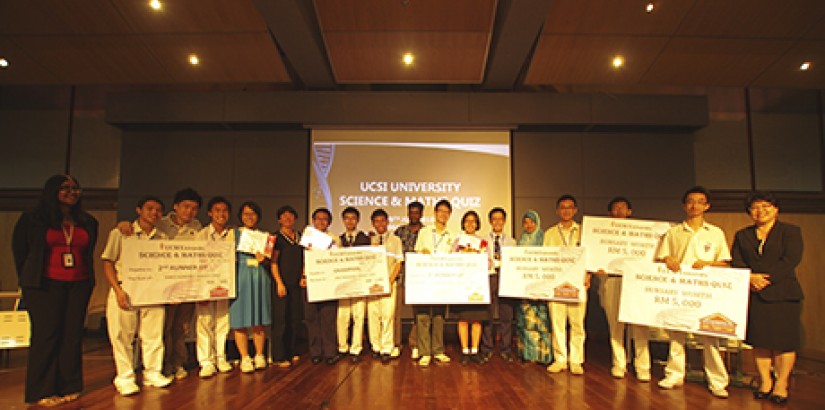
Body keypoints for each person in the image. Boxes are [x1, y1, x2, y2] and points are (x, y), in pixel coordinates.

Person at [12, 175, 99, 406]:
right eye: (65, 188)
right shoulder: (33, 219)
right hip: (44, 286)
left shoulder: (87, 221)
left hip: (78, 284)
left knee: (72, 336)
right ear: (52, 191)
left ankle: (69, 385)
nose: (72, 192)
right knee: (46, 335)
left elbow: (88, 252)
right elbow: (21, 252)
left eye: (75, 188)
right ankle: (41, 390)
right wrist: (27, 279)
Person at [656, 186, 732, 398]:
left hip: (705, 290)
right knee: (676, 331)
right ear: (683, 205)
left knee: (710, 335)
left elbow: (725, 263)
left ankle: (717, 380)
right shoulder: (673, 232)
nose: (695, 205)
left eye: (700, 201)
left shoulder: (716, 233)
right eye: (690, 201)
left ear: (707, 206)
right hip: (680, 288)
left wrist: (708, 264)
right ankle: (674, 373)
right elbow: (662, 258)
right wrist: (667, 259)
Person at [731, 192, 803, 405]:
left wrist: (764, 279)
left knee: (783, 342)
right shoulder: (742, 235)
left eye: (766, 206)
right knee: (760, 341)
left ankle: (781, 384)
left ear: (776, 209)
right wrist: (751, 278)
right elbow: (737, 260)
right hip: (754, 293)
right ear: (749, 212)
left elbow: (790, 260)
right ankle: (765, 382)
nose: (760, 211)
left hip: (784, 294)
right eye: (755, 207)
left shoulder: (790, 232)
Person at [101, 196, 172, 396]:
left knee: (153, 335)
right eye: (149, 208)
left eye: (158, 210)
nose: (154, 213)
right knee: (122, 335)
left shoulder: (163, 238)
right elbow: (107, 262)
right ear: (138, 210)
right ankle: (125, 376)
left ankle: (152, 372)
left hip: (153, 290)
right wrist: (117, 290)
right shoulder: (121, 233)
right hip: (125, 290)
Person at [594, 197, 651, 381]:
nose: (619, 211)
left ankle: (642, 366)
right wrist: (598, 268)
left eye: (623, 208)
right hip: (612, 280)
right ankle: (619, 363)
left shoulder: (641, 233)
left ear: (630, 211)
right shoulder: (602, 235)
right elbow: (594, 259)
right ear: (610, 213)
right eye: (615, 208)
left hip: (636, 282)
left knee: (640, 327)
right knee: (615, 326)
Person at [157, 188, 203, 380]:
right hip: (164, 287)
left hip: (187, 286)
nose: (189, 212)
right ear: (175, 206)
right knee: (164, 326)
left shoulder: (197, 227)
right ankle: (162, 364)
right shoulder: (160, 225)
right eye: (185, 207)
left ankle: (178, 362)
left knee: (182, 327)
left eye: (194, 208)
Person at [544, 194, 589, 375]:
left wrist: (589, 276)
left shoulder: (584, 232)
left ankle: (576, 360)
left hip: (578, 284)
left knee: (577, 324)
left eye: (570, 207)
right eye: (562, 207)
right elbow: (545, 259)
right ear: (557, 211)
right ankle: (560, 358)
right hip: (556, 285)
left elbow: (590, 257)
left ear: (575, 210)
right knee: (557, 324)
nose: (566, 210)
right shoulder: (550, 233)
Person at [230, 201, 272, 373]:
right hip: (240, 277)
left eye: (253, 214)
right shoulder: (233, 234)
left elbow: (272, 261)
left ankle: (259, 354)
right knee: (240, 318)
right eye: (246, 214)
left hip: (260, 277)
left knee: (259, 318)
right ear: (241, 216)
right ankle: (245, 357)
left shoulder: (266, 236)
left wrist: (265, 259)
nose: (249, 217)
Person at [195, 197, 234, 378]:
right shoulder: (200, 235)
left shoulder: (233, 235)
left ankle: (221, 357)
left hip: (225, 286)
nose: (221, 214)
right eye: (217, 210)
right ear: (210, 213)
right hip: (204, 286)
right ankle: (206, 361)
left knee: (222, 323)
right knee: (204, 323)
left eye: (224, 210)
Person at [413, 199, 455, 367]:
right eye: (441, 211)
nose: (443, 215)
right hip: (424, 277)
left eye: (447, 212)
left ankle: (438, 350)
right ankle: (424, 352)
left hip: (442, 280)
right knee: (423, 315)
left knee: (438, 316)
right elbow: (417, 252)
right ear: (435, 213)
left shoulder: (452, 236)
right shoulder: (424, 232)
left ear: (449, 215)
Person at [303, 208, 343, 365]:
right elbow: (302, 259)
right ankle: (315, 352)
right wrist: (302, 276)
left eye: (324, 219)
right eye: (318, 218)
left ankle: (330, 352)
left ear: (330, 222)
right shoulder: (307, 237)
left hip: (329, 282)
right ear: (313, 220)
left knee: (328, 318)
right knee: (312, 318)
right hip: (310, 281)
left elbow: (338, 259)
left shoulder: (335, 239)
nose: (321, 221)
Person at [452, 210, 493, 365]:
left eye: (473, 221)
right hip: (462, 285)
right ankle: (464, 351)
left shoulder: (483, 242)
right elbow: (451, 260)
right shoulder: (458, 241)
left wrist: (477, 255)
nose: (470, 224)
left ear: (477, 224)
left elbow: (490, 263)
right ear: (463, 223)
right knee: (463, 320)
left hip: (478, 285)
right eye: (467, 221)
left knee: (477, 320)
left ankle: (475, 351)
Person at [270, 205, 305, 367]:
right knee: (281, 320)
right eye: (284, 216)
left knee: (294, 319)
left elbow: (305, 259)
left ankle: (291, 351)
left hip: (297, 284)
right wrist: (279, 283)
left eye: (291, 216)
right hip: (281, 284)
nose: (288, 219)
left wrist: (303, 276)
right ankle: (278, 356)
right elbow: (273, 262)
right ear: (279, 220)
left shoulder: (300, 237)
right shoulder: (275, 238)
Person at [515, 210, 552, 365]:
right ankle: (528, 354)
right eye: (526, 222)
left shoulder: (544, 239)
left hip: (541, 287)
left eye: (532, 222)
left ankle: (543, 355)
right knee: (526, 322)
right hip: (524, 288)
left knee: (541, 322)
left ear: (537, 223)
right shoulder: (520, 241)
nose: (529, 225)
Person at [367, 209, 404, 363]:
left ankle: (386, 348)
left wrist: (390, 281)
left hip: (389, 283)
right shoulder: (369, 240)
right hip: (371, 285)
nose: (380, 224)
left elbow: (399, 262)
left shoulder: (395, 240)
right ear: (373, 223)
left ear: (388, 222)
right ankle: (375, 346)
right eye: (376, 221)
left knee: (388, 316)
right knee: (373, 315)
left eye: (383, 220)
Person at [481, 207, 517, 363]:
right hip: (489, 277)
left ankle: (505, 349)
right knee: (487, 315)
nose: (497, 222)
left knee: (506, 315)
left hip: (507, 278)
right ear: (490, 221)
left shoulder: (512, 242)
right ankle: (487, 349)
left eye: (500, 219)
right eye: (494, 219)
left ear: (504, 221)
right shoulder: (482, 241)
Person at [336, 207, 371, 363]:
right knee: (342, 316)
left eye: (353, 218)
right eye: (347, 218)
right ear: (343, 220)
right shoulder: (337, 240)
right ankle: (342, 347)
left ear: (358, 220)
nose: (350, 221)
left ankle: (356, 349)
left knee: (358, 316)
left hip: (360, 284)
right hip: (342, 284)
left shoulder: (366, 239)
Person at [394, 201, 424, 359]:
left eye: (417, 212)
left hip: (420, 278)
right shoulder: (399, 231)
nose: (414, 215)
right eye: (411, 212)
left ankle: (415, 343)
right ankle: (396, 343)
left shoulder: (427, 232)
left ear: (421, 214)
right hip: (400, 276)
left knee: (418, 312)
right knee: (396, 312)